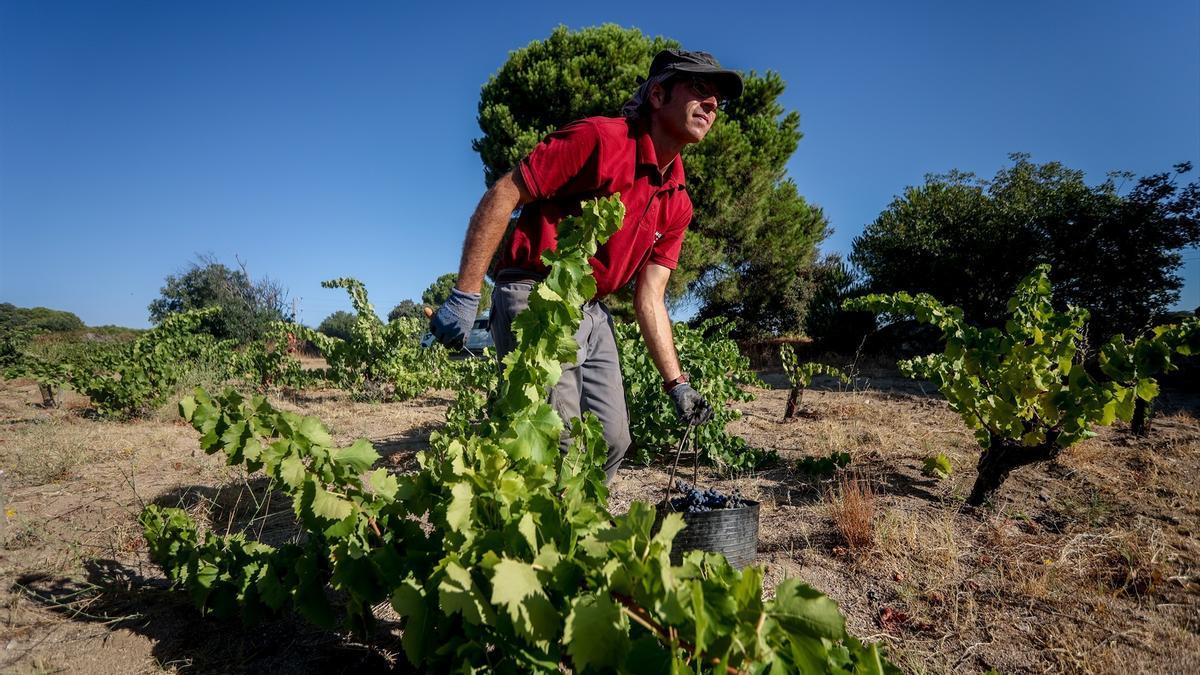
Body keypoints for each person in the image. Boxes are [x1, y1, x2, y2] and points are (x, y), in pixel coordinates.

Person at [430, 49, 743, 483]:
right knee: (558, 440)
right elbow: (505, 193)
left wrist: (678, 383)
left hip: (592, 310)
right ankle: (538, 537)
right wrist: (466, 294)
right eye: (700, 89)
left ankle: (580, 528)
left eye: (718, 101)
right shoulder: (600, 139)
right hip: (535, 293)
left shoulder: (678, 199)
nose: (711, 105)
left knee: (613, 439)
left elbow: (650, 297)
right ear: (657, 94)